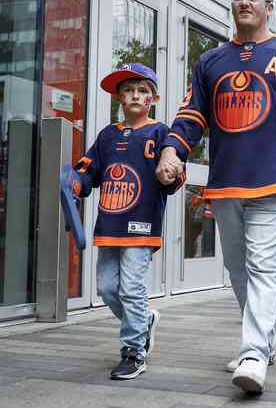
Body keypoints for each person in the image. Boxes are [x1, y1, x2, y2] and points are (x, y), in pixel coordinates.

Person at [156, 0, 276, 393]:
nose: (245, 2)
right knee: (237, 268)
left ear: (269, 6)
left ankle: (253, 353)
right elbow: (192, 114)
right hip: (226, 184)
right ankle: (263, 341)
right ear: (231, 5)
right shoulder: (210, 61)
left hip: (274, 183)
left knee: (265, 268)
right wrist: (172, 151)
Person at [73, 63, 185, 380]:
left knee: (132, 289)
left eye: (142, 91)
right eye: (128, 91)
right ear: (120, 97)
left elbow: (174, 176)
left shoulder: (162, 133)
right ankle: (144, 320)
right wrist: (77, 182)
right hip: (110, 226)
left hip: (142, 225)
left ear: (153, 98)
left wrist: (171, 174)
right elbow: (88, 170)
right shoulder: (108, 135)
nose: (135, 95)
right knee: (108, 289)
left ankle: (134, 352)